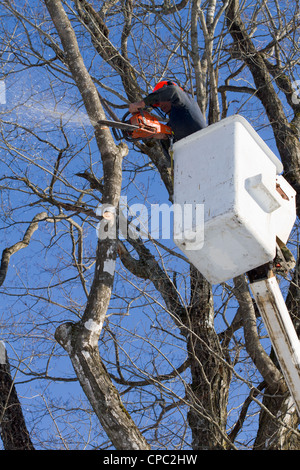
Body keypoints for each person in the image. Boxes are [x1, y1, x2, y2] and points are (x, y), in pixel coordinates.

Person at [129, 80, 207, 160]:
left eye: (161, 101)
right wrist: (164, 138)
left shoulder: (185, 102)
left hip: (206, 147)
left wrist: (142, 103)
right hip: (193, 161)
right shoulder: (171, 125)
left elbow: (173, 91)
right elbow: (171, 161)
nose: (160, 105)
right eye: (158, 104)